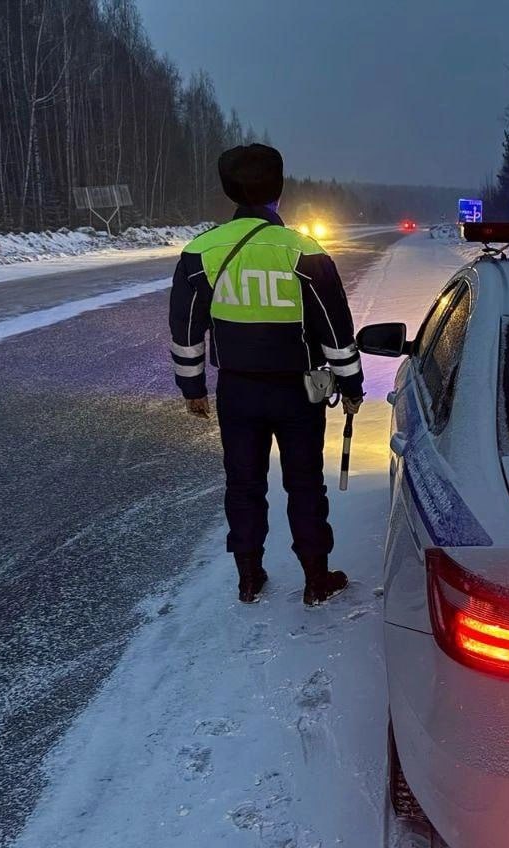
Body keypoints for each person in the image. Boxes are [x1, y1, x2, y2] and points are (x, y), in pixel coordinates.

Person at [168, 143, 363, 605]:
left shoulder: (200, 252)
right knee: (304, 485)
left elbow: (186, 328)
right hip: (298, 393)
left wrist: (192, 387)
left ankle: (249, 577)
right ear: (279, 190)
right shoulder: (304, 252)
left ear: (228, 189)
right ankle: (317, 578)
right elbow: (335, 329)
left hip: (237, 391)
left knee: (243, 484)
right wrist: (352, 384)